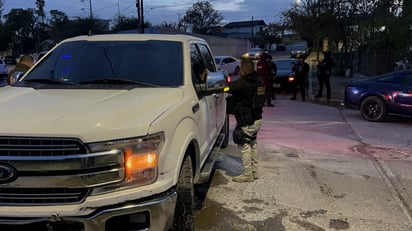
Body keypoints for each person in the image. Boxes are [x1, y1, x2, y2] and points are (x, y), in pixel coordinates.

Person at [227, 58, 265, 183]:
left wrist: (221, 83)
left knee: (244, 145)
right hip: (257, 119)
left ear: (243, 70)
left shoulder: (243, 83)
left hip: (247, 121)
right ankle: (254, 172)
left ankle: (247, 174)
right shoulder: (259, 81)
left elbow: (227, 88)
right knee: (252, 144)